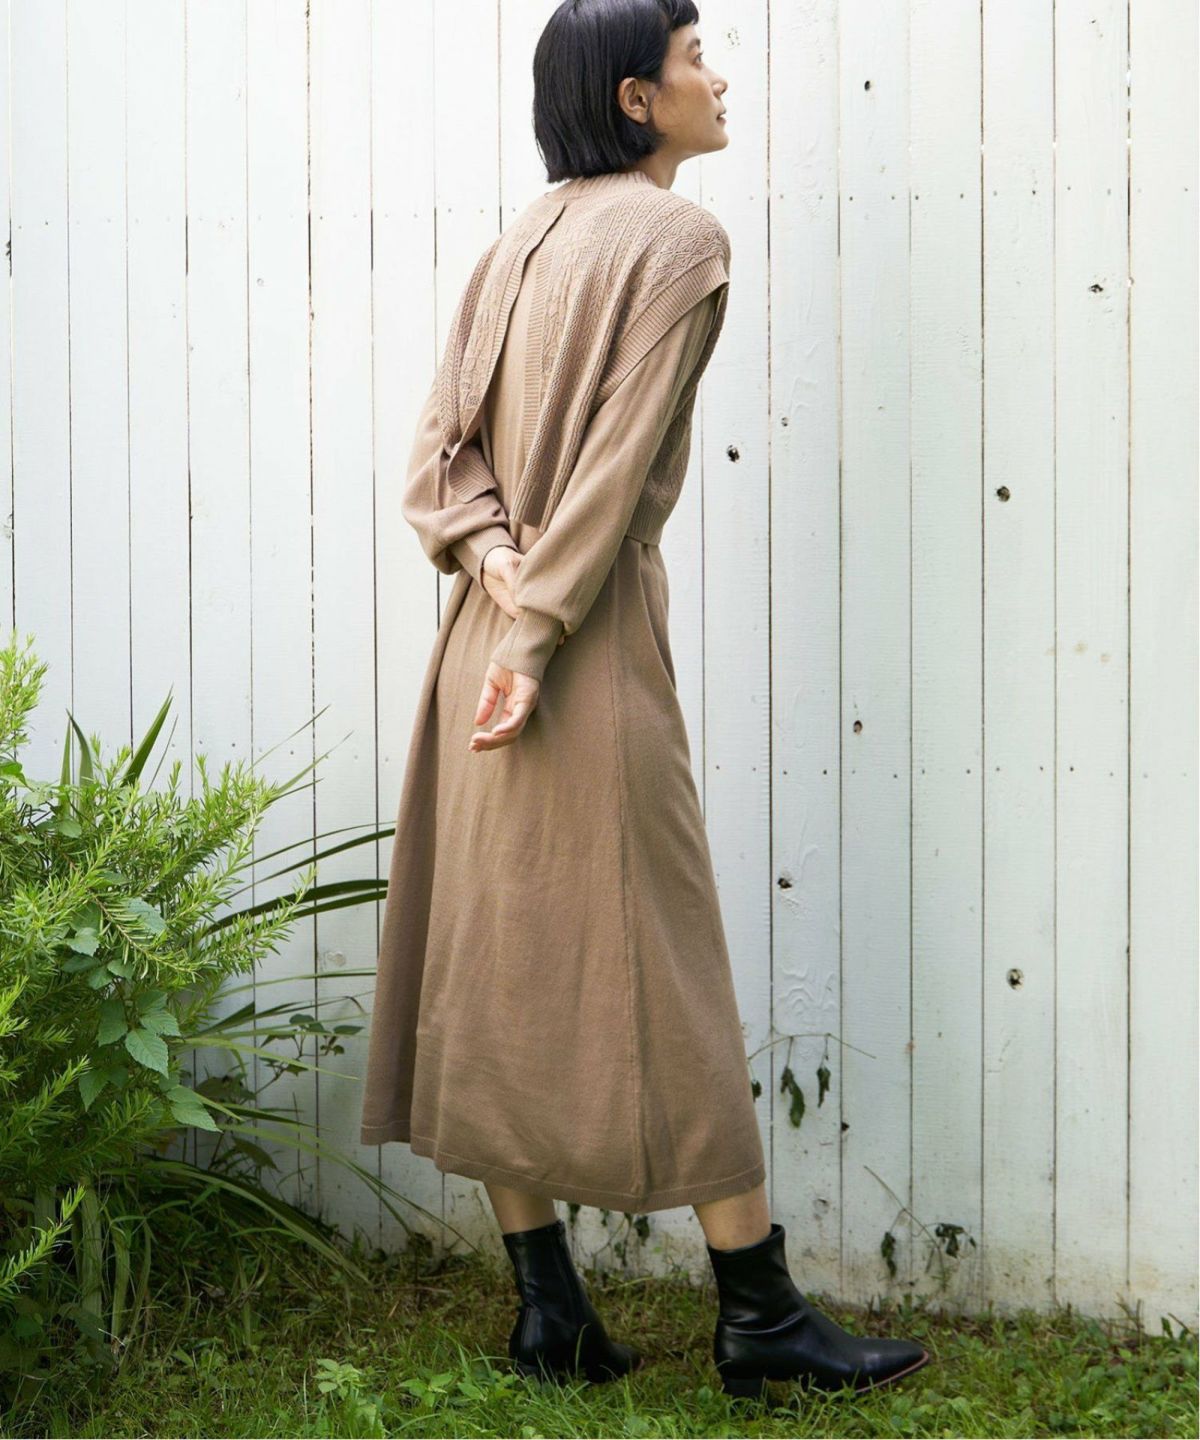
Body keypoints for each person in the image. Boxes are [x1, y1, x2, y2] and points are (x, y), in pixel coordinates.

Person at [359, 0, 931, 1401]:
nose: (717, 77)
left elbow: (435, 462)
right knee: (666, 962)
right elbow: (614, 468)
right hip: (576, 646)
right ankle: (760, 1318)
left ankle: (549, 1313)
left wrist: (493, 569)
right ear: (635, 97)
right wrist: (544, 628)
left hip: (482, 641)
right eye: (694, 57)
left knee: (489, 963)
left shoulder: (514, 245)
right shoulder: (679, 239)